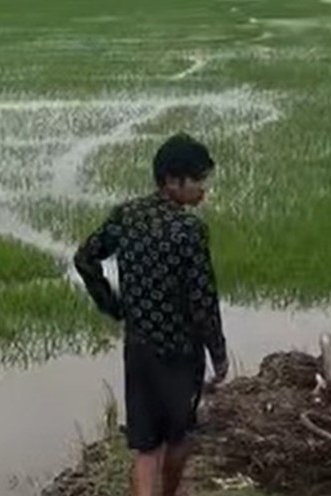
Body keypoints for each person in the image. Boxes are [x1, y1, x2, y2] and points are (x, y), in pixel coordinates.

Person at [74, 132, 229, 496]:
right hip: (179, 355)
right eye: (197, 180)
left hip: (140, 349)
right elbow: (203, 301)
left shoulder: (127, 215)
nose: (203, 188)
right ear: (172, 181)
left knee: (146, 447)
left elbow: (85, 257)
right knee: (178, 439)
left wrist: (113, 306)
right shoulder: (188, 230)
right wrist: (218, 356)